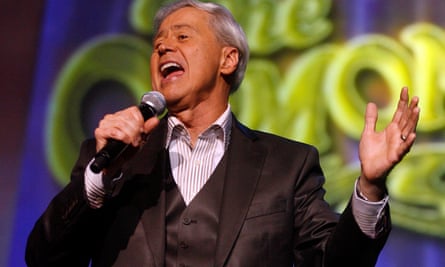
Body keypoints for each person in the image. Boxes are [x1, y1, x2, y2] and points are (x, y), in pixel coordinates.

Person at [25, 0, 420, 266]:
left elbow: (337, 262)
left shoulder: (287, 166)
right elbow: (44, 257)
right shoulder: (112, 161)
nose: (163, 49)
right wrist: (99, 180)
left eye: (181, 37)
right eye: (157, 44)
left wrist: (369, 185)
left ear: (228, 59)